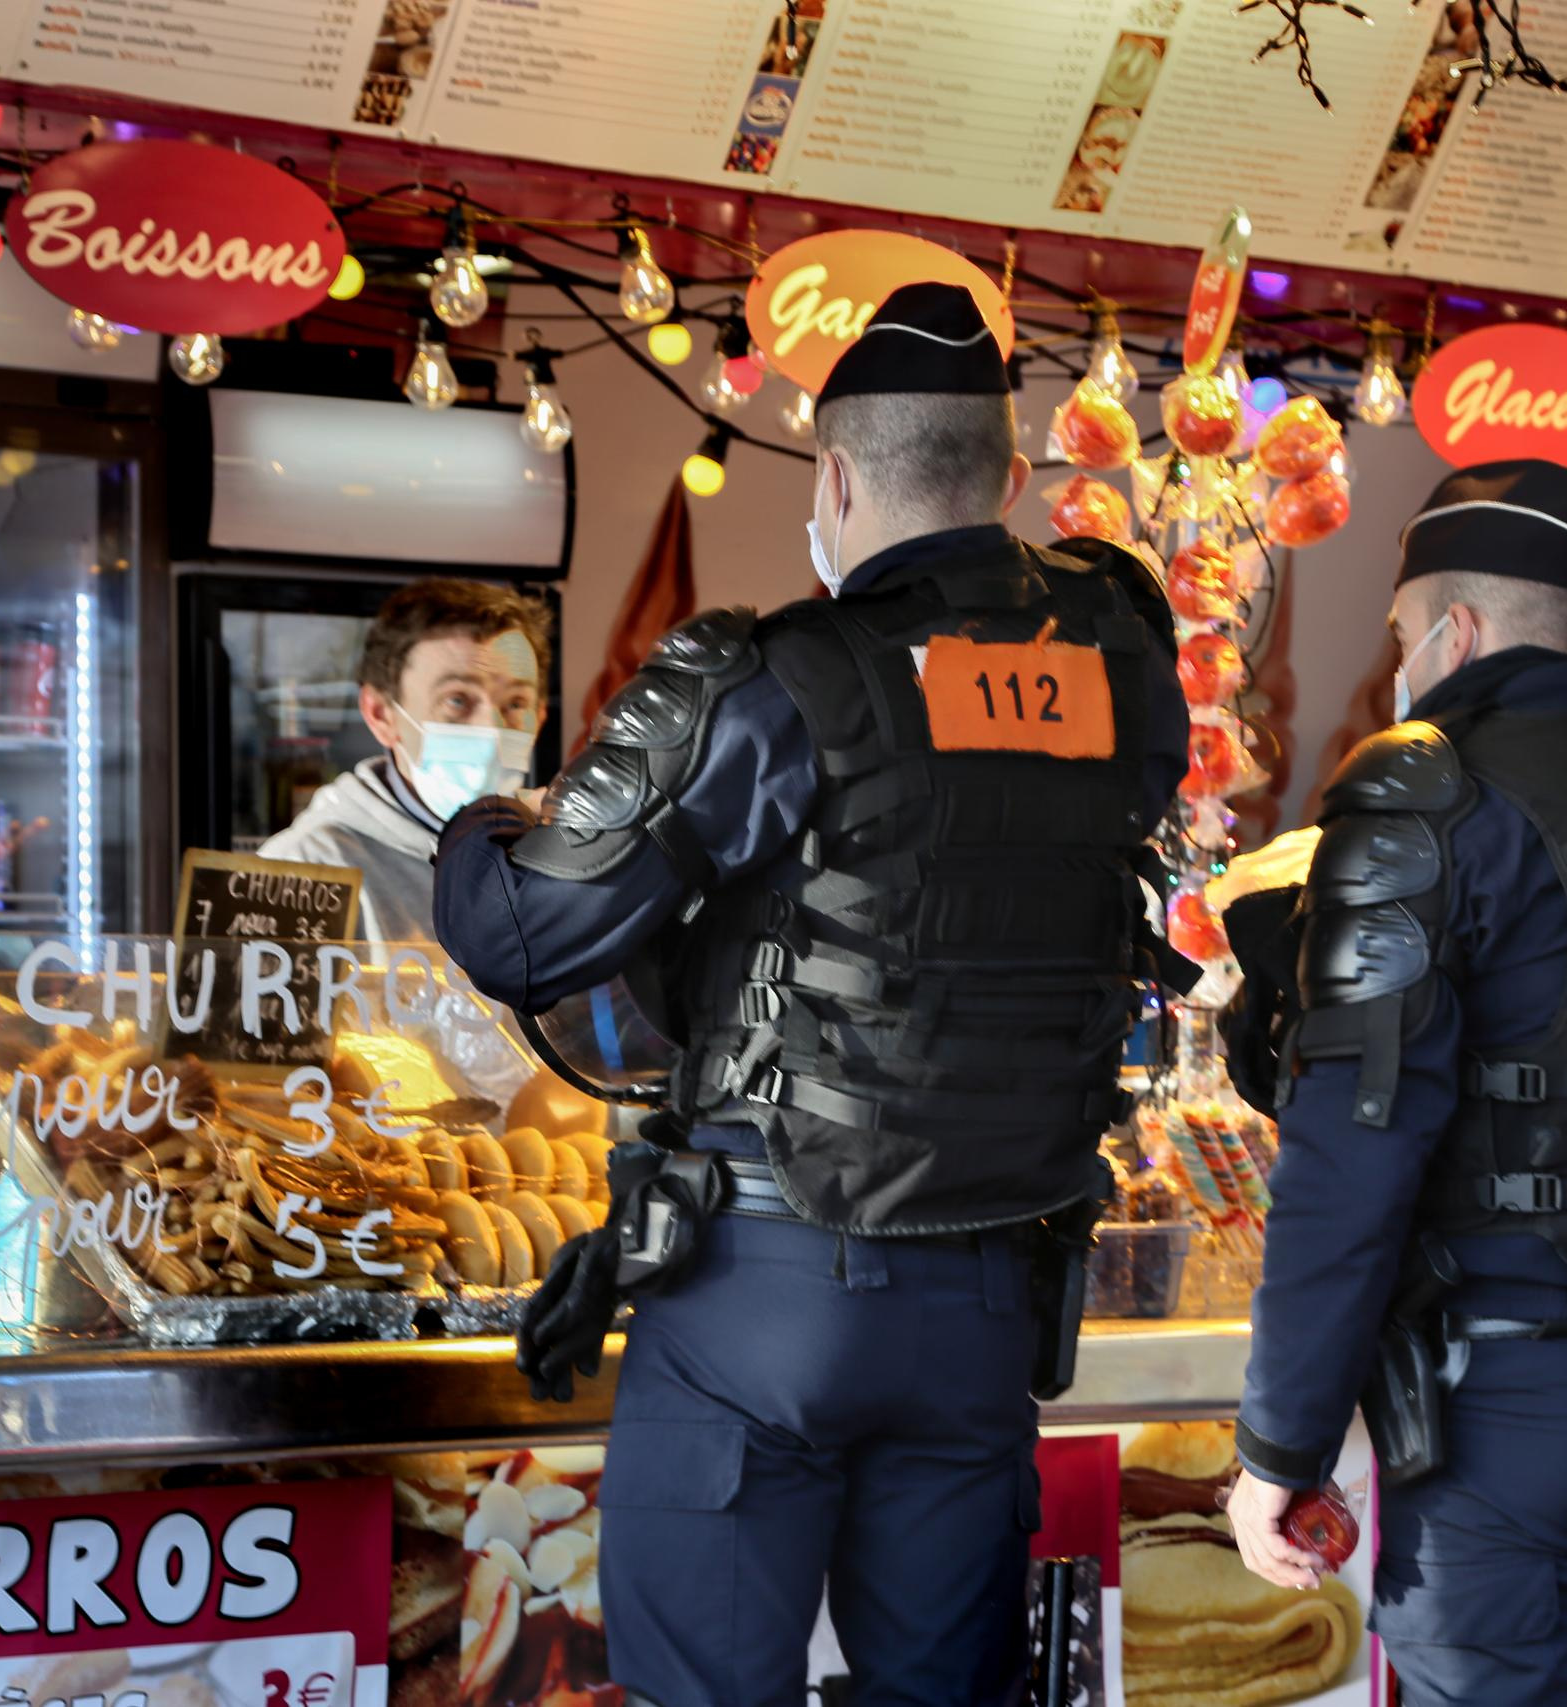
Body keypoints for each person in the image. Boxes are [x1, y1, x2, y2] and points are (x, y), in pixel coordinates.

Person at [431, 282, 1190, 1707]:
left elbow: (523, 935)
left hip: (766, 1295)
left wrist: (488, 818)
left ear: (833, 478)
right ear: (1010, 481)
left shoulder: (782, 675)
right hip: (989, 1294)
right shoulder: (1125, 659)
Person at [1214, 460, 1567, 1706]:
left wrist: (1279, 1443)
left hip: (1508, 1408)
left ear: (1458, 631)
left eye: (1400, 634)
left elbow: (1348, 1156)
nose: (1401, 661)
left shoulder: (1426, 796)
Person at [260, 578, 551, 944]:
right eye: (457, 701)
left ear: (540, 717)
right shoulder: (300, 870)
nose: (491, 729)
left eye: (516, 703)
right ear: (382, 715)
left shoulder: (552, 856)